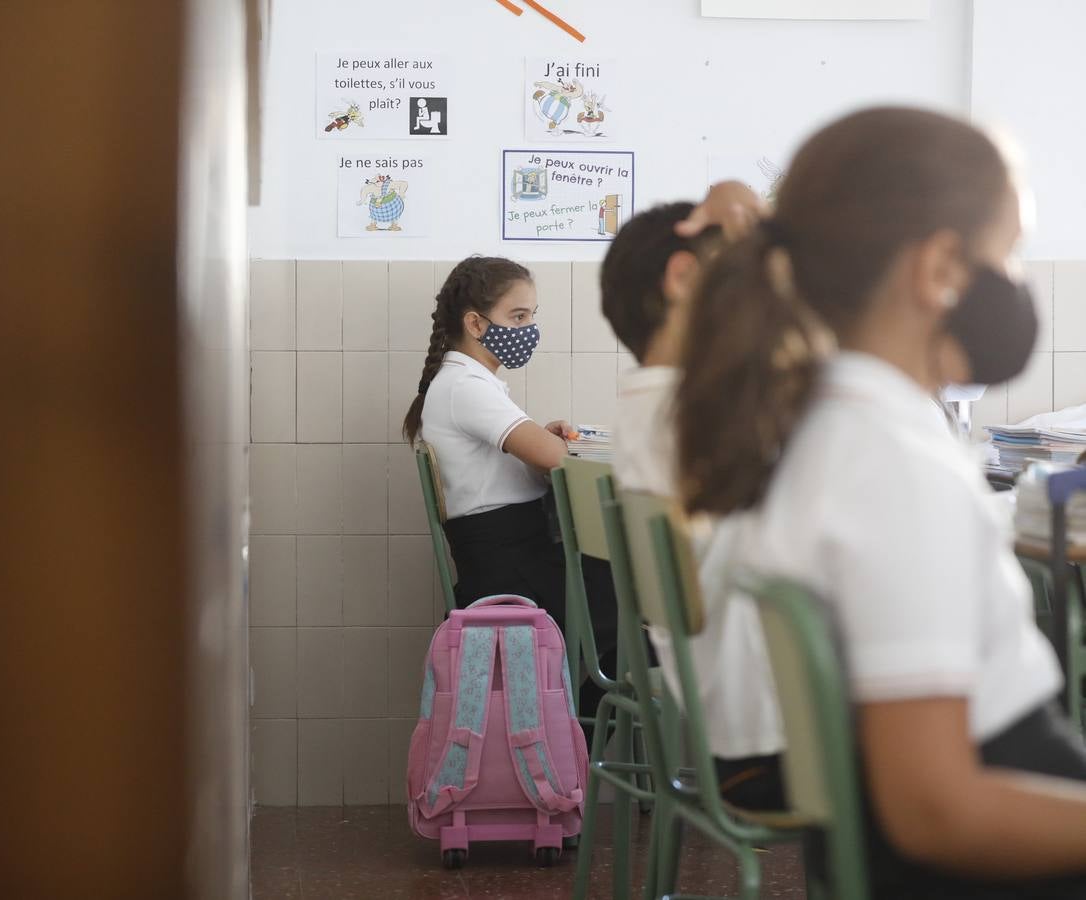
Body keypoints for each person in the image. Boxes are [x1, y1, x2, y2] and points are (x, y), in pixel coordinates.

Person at [676, 106, 1086, 898]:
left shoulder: (828, 427)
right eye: (1011, 252)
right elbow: (936, 809)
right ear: (938, 270)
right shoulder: (889, 463)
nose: (1018, 279)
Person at [601, 188, 787, 811]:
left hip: (736, 731)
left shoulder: (654, 406)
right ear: (684, 279)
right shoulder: (698, 415)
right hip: (779, 743)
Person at [400, 256, 618, 715]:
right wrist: (551, 444)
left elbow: (531, 461)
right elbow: (557, 461)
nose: (528, 329)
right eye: (517, 317)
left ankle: (577, 733)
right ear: (476, 324)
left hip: (509, 554)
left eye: (532, 317)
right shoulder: (466, 387)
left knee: (631, 608)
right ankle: (581, 736)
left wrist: (540, 435)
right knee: (641, 608)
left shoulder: (470, 384)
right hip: (510, 566)